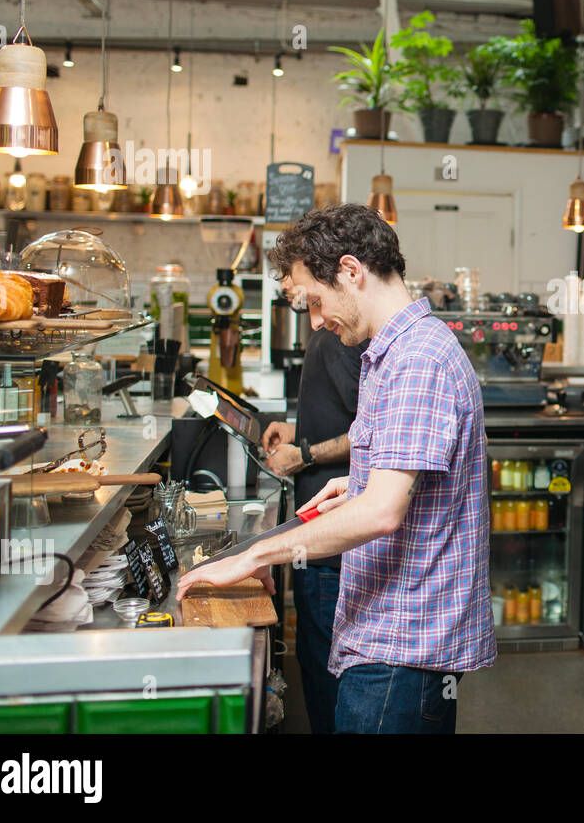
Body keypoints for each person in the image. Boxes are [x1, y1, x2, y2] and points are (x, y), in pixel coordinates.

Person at [178, 204, 496, 733]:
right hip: (388, 636)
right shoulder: (388, 354)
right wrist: (360, 480)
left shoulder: (418, 360)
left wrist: (253, 556)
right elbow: (408, 483)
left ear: (352, 270)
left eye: (317, 302)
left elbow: (383, 513)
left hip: (401, 649)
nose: (318, 321)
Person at [260, 328, 365, 734]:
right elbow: (340, 416)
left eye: (291, 277)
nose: (287, 287)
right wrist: (298, 428)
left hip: (330, 546)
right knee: (316, 660)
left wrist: (303, 454)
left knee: (326, 675)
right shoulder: (330, 335)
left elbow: (367, 435)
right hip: (319, 535)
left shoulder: (336, 337)